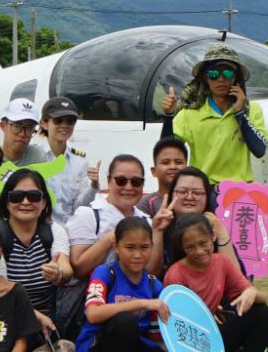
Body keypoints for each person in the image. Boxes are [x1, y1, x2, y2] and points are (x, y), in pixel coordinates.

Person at [77, 217, 194, 352]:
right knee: (124, 322)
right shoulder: (105, 272)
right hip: (99, 351)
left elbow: (176, 318)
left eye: (144, 247)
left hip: (134, 351)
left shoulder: (151, 283)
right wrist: (142, 303)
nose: (138, 254)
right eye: (130, 247)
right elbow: (93, 314)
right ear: (116, 246)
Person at [162, 212, 268, 352]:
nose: (198, 251)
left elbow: (262, 299)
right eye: (190, 247)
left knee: (261, 312)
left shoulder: (221, 263)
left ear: (213, 236)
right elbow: (177, 333)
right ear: (181, 248)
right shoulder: (176, 275)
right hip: (188, 345)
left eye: (203, 242)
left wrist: (250, 292)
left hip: (212, 339)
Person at [170, 44, 268, 185]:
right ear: (205, 78)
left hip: (239, 192)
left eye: (228, 74)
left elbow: (260, 150)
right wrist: (169, 115)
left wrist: (240, 113)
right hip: (203, 190)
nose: (221, 79)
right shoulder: (188, 114)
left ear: (236, 78)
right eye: (214, 74)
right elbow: (168, 150)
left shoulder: (252, 110)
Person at [0, 167, 75, 333]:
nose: (25, 202)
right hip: (4, 322)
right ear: (6, 202)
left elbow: (66, 268)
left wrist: (58, 273)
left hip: (46, 323)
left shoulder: (54, 231)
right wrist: (36, 317)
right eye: (16, 197)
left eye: (33, 196)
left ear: (44, 202)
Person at [64, 152, 152, 280]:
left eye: (136, 182)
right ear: (108, 181)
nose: (128, 187)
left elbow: (151, 271)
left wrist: (159, 231)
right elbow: (79, 269)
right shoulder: (88, 215)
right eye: (121, 181)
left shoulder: (146, 220)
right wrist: (112, 237)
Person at [37, 97, 98, 216]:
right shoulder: (34, 157)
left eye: (70, 121)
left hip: (71, 227)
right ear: (44, 123)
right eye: (58, 120)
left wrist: (93, 186)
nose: (64, 125)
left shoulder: (80, 161)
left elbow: (79, 207)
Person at [137, 135, 191, 216]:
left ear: (187, 169)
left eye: (178, 162)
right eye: (166, 162)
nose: (173, 166)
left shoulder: (194, 200)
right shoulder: (146, 204)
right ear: (154, 171)